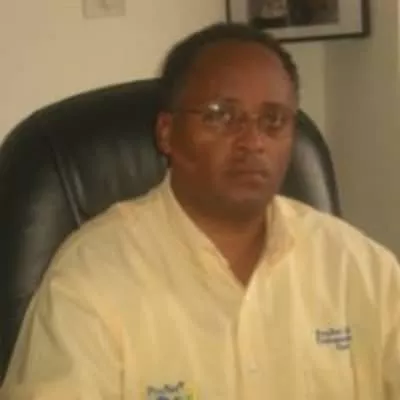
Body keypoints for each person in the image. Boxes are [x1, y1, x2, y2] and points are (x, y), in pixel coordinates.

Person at [1, 22, 399, 400]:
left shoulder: (360, 269)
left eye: (273, 120)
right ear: (167, 133)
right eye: (221, 116)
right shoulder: (91, 278)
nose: (253, 141)